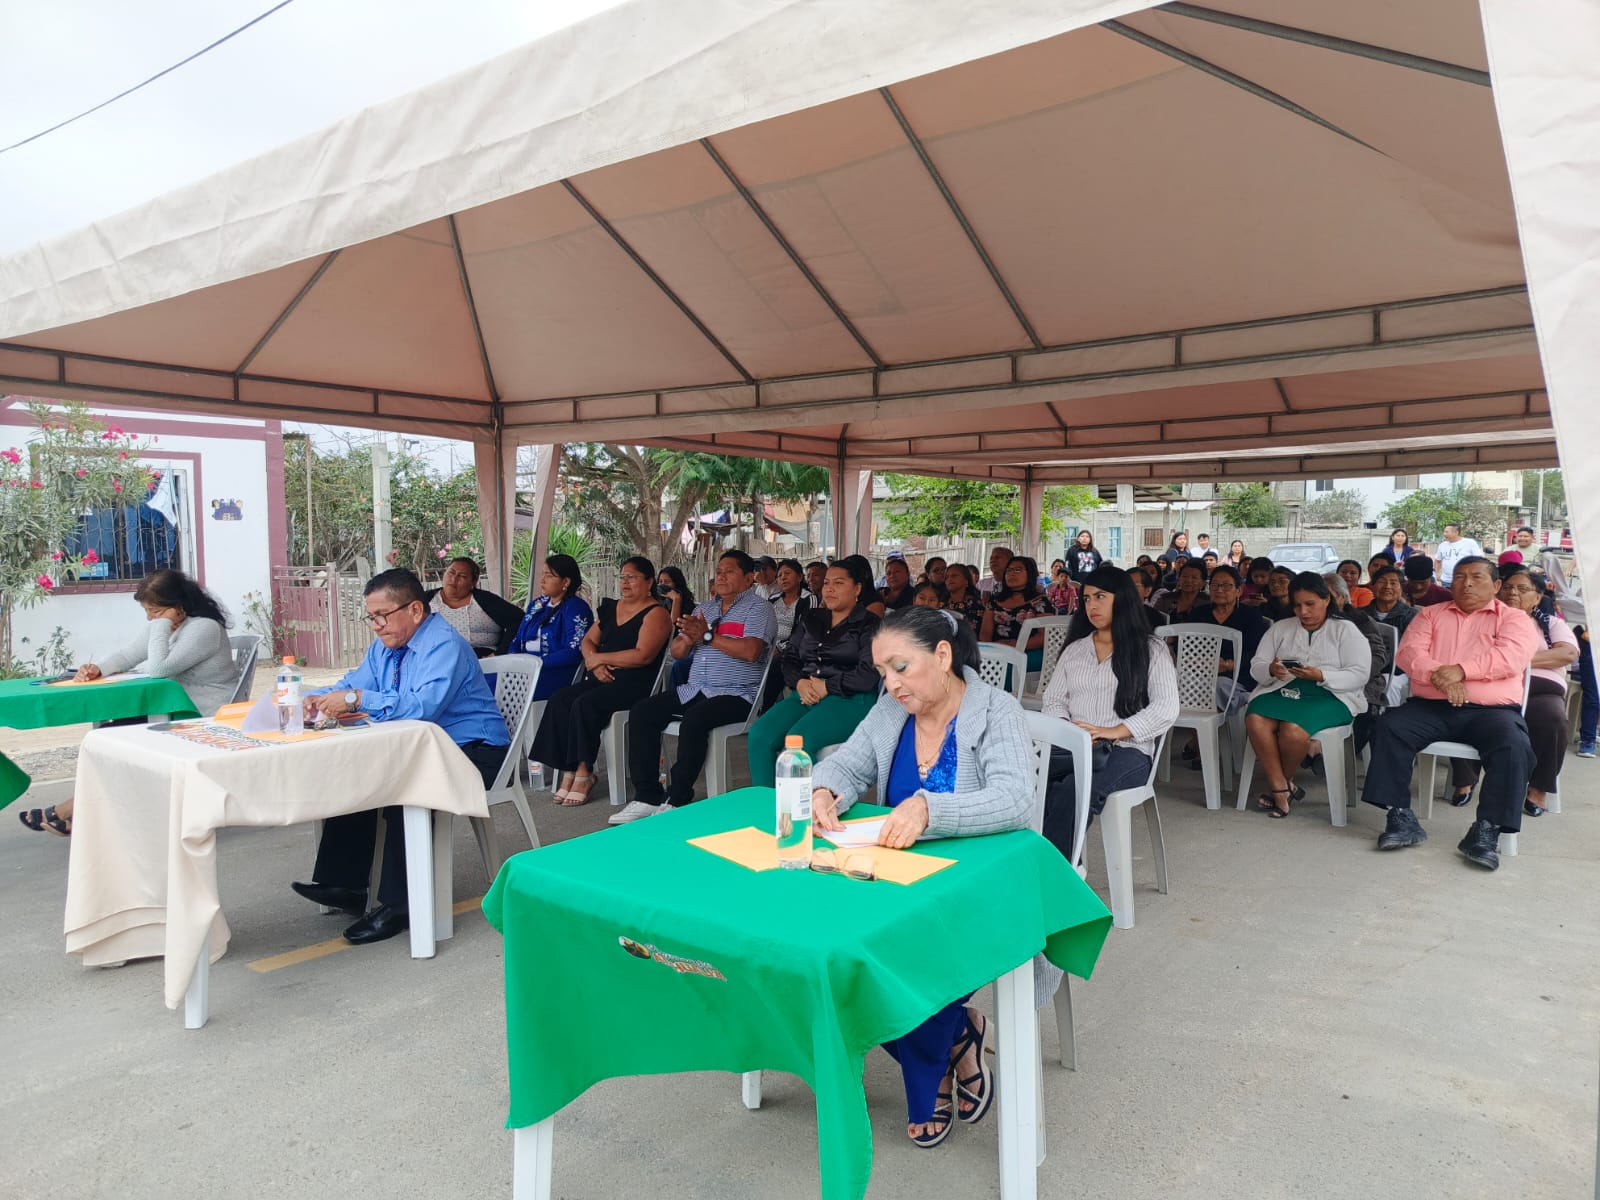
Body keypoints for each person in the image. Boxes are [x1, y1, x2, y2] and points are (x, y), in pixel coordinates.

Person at [809, 606, 1033, 1148]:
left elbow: (1014, 798)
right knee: (833, 954)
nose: (891, 683)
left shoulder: (996, 709)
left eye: (901, 667)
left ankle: (929, 1076)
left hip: (972, 890)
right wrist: (823, 790)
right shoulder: (892, 710)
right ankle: (959, 1037)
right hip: (896, 881)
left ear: (943, 655)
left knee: (909, 959)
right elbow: (846, 763)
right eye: (883, 671)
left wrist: (930, 809)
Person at [289, 569, 509, 944]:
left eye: (382, 616)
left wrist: (357, 700)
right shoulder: (386, 645)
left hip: (476, 750)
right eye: (370, 617)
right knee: (358, 775)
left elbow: (422, 708)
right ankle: (346, 885)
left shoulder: (443, 645)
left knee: (403, 790)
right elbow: (354, 683)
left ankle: (400, 905)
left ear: (415, 610)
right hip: (424, 748)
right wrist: (319, 698)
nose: (375, 626)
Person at [20, 569, 238, 838]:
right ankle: (84, 810)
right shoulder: (165, 624)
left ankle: (75, 811)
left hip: (201, 712)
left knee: (120, 739)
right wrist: (98, 668)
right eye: (146, 611)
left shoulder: (204, 628)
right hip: (171, 707)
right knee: (106, 736)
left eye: (155, 611)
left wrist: (161, 625)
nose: (149, 618)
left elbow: (158, 669)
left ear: (179, 606)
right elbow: (127, 654)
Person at [1359, 557, 1540, 869]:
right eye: (1459, 576)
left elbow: (1510, 657)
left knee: (1513, 745)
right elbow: (1409, 654)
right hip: (1431, 707)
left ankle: (1487, 830)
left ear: (1496, 585)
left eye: (1476, 577)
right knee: (1390, 726)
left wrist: (1461, 671)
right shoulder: (1430, 614)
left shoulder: (1513, 619)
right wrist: (1444, 678)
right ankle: (1400, 816)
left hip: (1492, 712)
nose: (1466, 583)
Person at [611, 550, 776, 823]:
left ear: (749, 578)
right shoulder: (705, 609)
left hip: (737, 694)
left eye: (729, 571)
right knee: (642, 712)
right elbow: (677, 652)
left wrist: (707, 636)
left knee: (695, 719)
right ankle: (647, 796)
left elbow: (751, 652)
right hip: (695, 688)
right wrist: (688, 639)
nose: (721, 576)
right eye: (719, 571)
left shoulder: (760, 609)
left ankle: (677, 797)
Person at [1040, 565, 1179, 858]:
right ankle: (1054, 868)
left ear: (1122, 598)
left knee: (1073, 790)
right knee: (1032, 784)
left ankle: (1053, 876)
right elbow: (1053, 700)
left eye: (1101, 596)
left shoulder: (1151, 650)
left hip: (1128, 751)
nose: (1092, 605)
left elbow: (1166, 707)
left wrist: (1113, 732)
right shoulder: (1075, 650)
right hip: (1074, 747)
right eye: (1087, 598)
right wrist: (1069, 730)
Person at [526, 557, 673, 806]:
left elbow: (643, 655)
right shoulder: (611, 608)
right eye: (622, 577)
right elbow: (588, 641)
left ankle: (584, 771)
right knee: (560, 699)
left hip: (635, 682)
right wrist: (595, 662)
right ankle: (569, 768)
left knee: (585, 704)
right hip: (601, 675)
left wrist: (600, 658)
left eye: (632, 577)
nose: (625, 583)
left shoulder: (656, 613)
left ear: (649, 582)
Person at [1444, 567, 1576, 816]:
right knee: (1464, 708)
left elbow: (1567, 653)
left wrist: (1513, 659)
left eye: (1522, 589)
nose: (1513, 593)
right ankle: (1465, 779)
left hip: (1539, 689)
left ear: (1538, 597)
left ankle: (1538, 788)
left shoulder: (1550, 624)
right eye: (1507, 588)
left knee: (1553, 719)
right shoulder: (1484, 620)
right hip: (1491, 687)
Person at [1243, 572, 1372, 817]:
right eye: (1297, 605)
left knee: (1293, 729)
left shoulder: (1345, 629)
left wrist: (1321, 675)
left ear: (1326, 599)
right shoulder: (1281, 628)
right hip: (1282, 689)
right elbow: (1256, 665)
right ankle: (1282, 787)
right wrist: (1271, 669)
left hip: (1333, 695)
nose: (1303, 612)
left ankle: (1280, 787)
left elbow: (1359, 674)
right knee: (1255, 717)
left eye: (1310, 604)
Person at [746, 559, 880, 785]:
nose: (829, 589)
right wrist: (799, 683)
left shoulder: (869, 624)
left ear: (857, 588)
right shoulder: (812, 618)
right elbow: (789, 658)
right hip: (806, 693)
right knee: (760, 735)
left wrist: (828, 686)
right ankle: (767, 803)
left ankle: (802, 804)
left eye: (839, 583)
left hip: (851, 699)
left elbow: (869, 673)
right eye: (826, 583)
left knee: (798, 740)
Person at [1186, 563, 1268, 717]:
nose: (1219, 590)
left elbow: (1258, 651)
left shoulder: (1251, 616)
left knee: (1218, 685)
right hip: (1200, 671)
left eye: (1226, 586)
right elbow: (1185, 645)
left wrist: (1229, 664)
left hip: (1237, 674)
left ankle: (1204, 730)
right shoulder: (1198, 614)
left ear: (1238, 591)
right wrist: (1196, 662)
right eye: (1215, 585)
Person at [512, 554, 594, 700]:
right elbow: (517, 639)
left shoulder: (576, 607)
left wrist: (537, 663)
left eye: (549, 576)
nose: (542, 580)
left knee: (499, 687)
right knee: (485, 681)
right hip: (526, 669)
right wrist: (512, 662)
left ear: (566, 581)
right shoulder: (537, 604)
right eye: (543, 574)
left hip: (555, 672)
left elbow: (574, 651)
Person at [424, 556, 523, 657]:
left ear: (473, 582)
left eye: (462, 576)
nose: (454, 579)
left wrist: (500, 653)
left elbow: (519, 620)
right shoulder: (425, 600)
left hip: (481, 660)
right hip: (436, 658)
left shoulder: (485, 600)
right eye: (451, 572)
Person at [980, 555, 1051, 669]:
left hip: (1028, 652)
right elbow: (985, 633)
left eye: (1018, 570)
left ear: (1030, 574)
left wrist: (1014, 645)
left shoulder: (1040, 601)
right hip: (998, 651)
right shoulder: (995, 601)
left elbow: (1044, 636)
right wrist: (991, 650)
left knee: (1007, 667)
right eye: (1009, 570)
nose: (1012, 574)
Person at [1360, 567, 1418, 640]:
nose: (1387, 586)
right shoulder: (1360, 615)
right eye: (1382, 582)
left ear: (1401, 589)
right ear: (1372, 586)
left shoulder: (1412, 616)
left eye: (1393, 583)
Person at [769, 558, 811, 652]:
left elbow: (804, 632)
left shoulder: (808, 599)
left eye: (787, 573)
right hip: (768, 646)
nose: (783, 578)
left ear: (799, 577)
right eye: (779, 575)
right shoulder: (773, 599)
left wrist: (780, 648)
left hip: (792, 650)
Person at [942, 563, 985, 634]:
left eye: (954, 576)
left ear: (966, 580)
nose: (949, 579)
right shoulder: (941, 604)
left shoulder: (977, 605)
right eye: (946, 577)